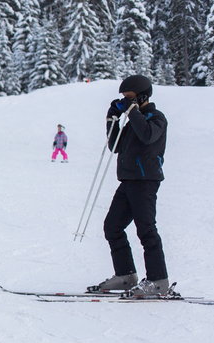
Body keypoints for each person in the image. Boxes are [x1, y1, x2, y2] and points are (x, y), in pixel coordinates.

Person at [87, 75, 170, 295]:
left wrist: (133, 112)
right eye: (123, 98)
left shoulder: (156, 118)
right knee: (112, 227)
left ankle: (158, 281)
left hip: (145, 182)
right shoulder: (131, 122)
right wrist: (111, 118)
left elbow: (148, 136)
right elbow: (114, 146)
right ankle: (125, 275)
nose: (126, 101)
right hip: (128, 180)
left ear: (142, 96)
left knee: (146, 230)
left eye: (129, 97)